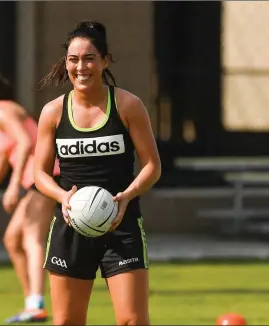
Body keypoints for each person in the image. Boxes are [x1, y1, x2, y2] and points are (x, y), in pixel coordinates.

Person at [34, 21, 162, 325]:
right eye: (73, 59)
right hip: (70, 228)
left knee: (132, 320)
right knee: (66, 322)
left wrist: (127, 196)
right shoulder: (53, 112)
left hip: (121, 224)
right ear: (65, 63)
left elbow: (152, 166)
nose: (81, 67)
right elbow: (39, 173)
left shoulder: (128, 105)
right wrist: (62, 196)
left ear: (105, 61)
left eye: (89, 58)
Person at [0, 71, 60, 323]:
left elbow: (24, 143)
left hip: (44, 177)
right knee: (12, 239)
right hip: (37, 179)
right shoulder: (1, 121)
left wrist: (13, 187)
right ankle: (32, 303)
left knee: (32, 238)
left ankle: (37, 305)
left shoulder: (2, 111)